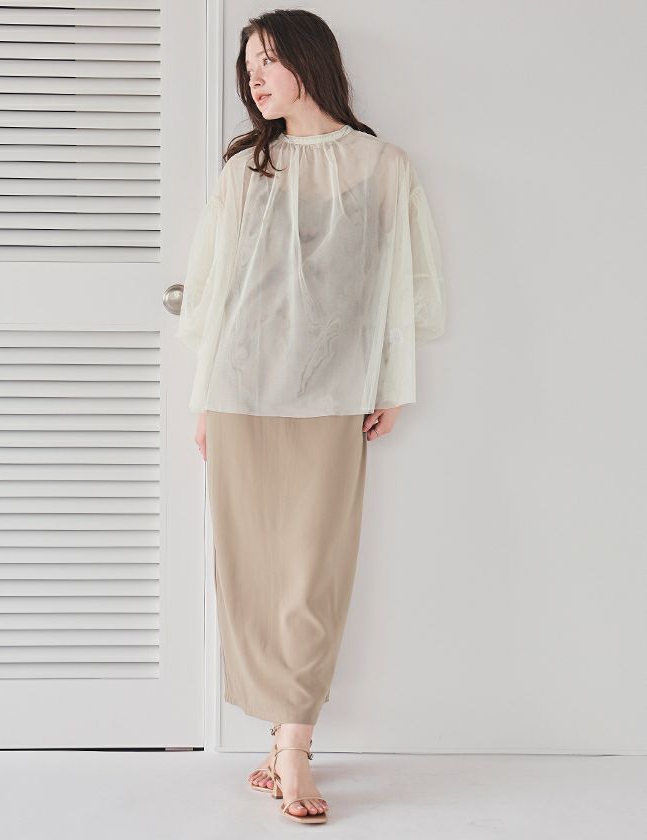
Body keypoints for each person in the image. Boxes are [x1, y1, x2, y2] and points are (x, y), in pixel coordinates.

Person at [176, 9, 446, 825]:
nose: (254, 76)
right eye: (248, 64)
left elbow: (401, 285)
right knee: (251, 573)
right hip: (241, 393)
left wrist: (392, 384)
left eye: (269, 59)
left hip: (332, 395)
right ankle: (282, 740)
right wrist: (203, 399)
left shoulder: (383, 166)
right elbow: (215, 293)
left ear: (309, 60)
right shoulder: (244, 169)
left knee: (311, 575)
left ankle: (293, 746)